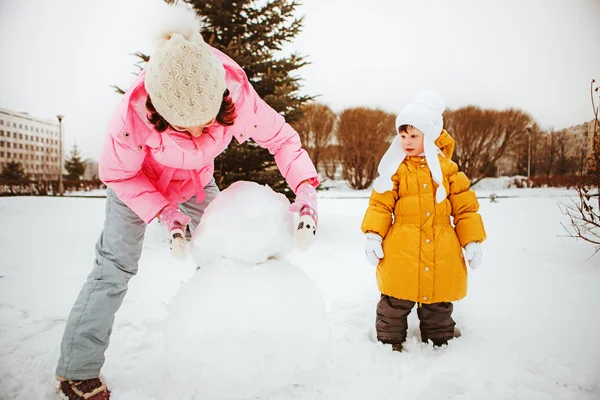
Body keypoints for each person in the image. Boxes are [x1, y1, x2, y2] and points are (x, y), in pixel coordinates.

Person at [55, 8, 318, 399]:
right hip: (137, 185)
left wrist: (307, 193)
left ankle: (241, 339)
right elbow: (119, 174)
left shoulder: (236, 94)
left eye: (206, 119)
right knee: (114, 268)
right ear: (159, 111)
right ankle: (77, 368)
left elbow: (282, 140)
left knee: (231, 249)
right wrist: (164, 212)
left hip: (196, 182)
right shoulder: (131, 119)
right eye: (183, 124)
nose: (197, 131)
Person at [361, 90, 486, 352]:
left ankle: (439, 340)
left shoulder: (448, 170)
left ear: (429, 137)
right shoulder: (395, 170)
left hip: (441, 246)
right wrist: (373, 233)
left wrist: (472, 240)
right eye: (403, 135)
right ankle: (389, 341)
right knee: (395, 300)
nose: (407, 141)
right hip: (402, 248)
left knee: (438, 302)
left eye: (414, 136)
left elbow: (465, 208)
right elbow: (380, 204)